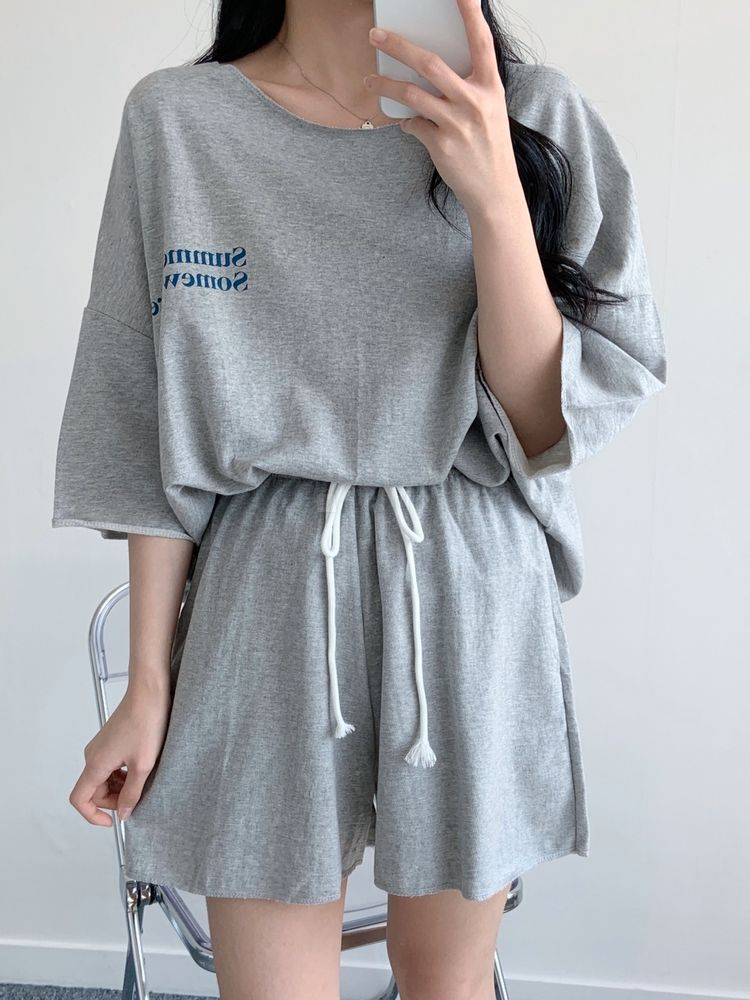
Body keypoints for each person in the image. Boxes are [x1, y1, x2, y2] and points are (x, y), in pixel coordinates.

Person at [53, 0, 667, 996]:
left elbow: (543, 423)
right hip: (266, 590)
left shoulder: (531, 112)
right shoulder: (179, 120)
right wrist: (148, 684)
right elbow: (141, 419)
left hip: (469, 585)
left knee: (448, 983)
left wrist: (494, 195)